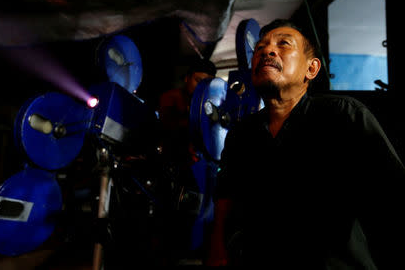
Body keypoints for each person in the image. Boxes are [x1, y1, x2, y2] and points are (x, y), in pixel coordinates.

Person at [205, 19, 405, 268]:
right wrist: (217, 253)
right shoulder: (242, 133)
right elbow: (226, 198)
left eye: (283, 44)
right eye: (260, 48)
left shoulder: (344, 116)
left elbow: (395, 199)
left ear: (311, 69)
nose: (267, 50)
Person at [158, 57, 217, 264]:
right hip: (175, 169)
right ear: (186, 79)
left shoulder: (212, 104)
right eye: (198, 80)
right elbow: (169, 126)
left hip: (202, 170)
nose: (202, 86)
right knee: (176, 222)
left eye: (207, 83)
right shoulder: (172, 97)